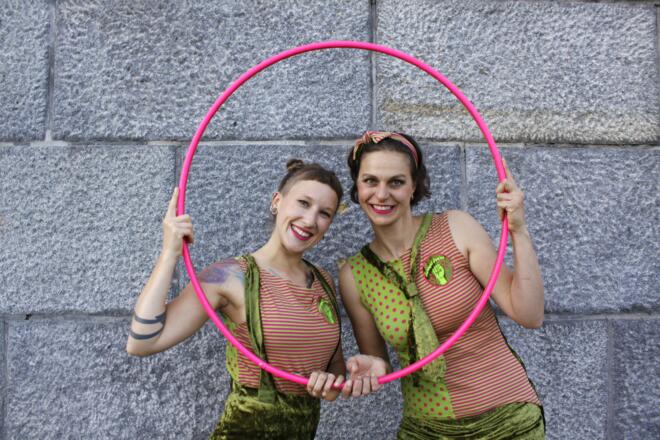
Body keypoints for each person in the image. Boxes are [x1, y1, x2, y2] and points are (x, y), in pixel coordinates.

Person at [339, 131, 545, 439]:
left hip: (507, 418)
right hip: (427, 428)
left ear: (413, 186)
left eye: (396, 182)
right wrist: (372, 370)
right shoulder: (355, 275)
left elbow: (529, 314)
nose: (381, 194)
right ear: (357, 185)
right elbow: (378, 362)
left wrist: (519, 230)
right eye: (370, 181)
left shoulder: (455, 227)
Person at [126, 159, 346, 439]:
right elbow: (142, 343)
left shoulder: (324, 282)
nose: (310, 220)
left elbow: (335, 368)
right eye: (303, 203)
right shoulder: (231, 276)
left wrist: (331, 383)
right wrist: (169, 253)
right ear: (277, 202)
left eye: (324, 213)